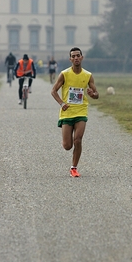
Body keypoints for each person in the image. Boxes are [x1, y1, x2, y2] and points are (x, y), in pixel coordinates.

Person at [51, 47, 99, 177]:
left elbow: (96, 94)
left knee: (78, 140)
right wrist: (62, 103)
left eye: (78, 55)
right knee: (67, 146)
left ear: (82, 58)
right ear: (70, 59)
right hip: (67, 112)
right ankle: (69, 149)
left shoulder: (88, 75)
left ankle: (74, 168)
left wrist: (92, 94)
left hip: (81, 111)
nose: (76, 58)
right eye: (73, 56)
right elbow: (53, 91)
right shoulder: (64, 74)